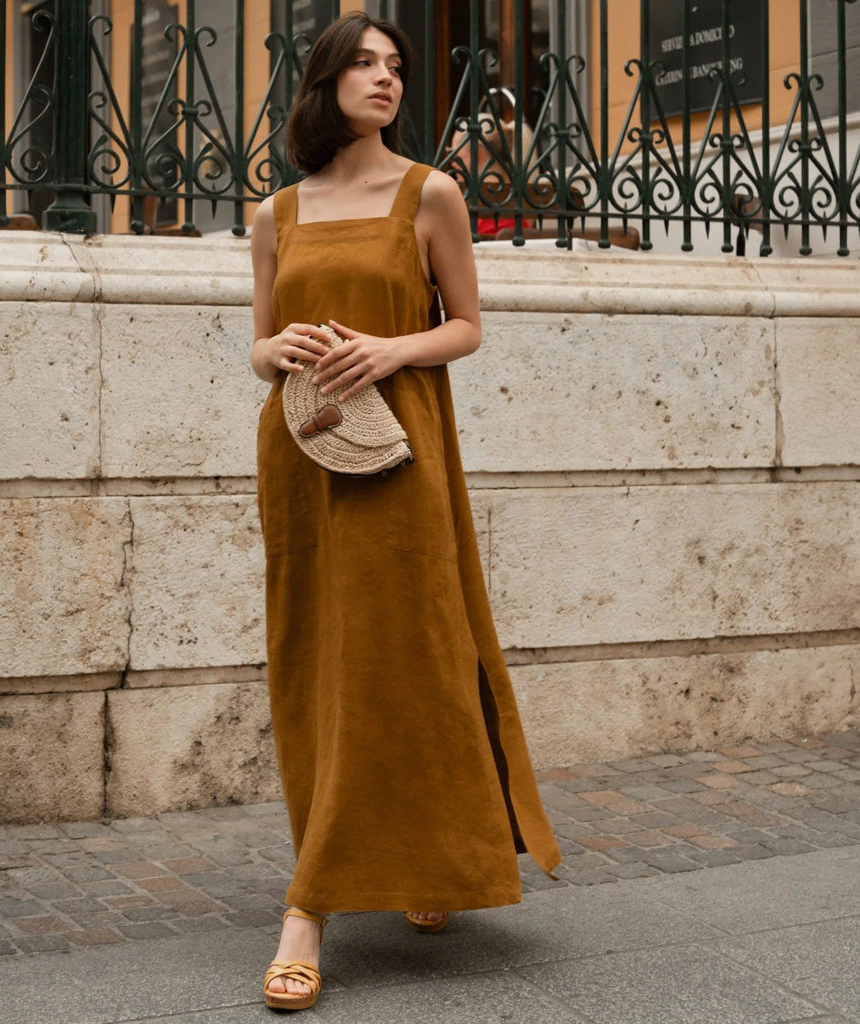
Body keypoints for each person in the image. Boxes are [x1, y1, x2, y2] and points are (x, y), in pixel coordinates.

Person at [250, 11, 561, 1013]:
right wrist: (283, 347)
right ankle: (323, 889)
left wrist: (390, 348)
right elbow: (255, 345)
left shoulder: (430, 193)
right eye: (365, 64)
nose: (385, 79)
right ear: (324, 80)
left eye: (396, 66)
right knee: (319, 664)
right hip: (302, 456)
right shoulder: (276, 213)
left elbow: (466, 326)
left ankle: (333, 898)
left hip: (401, 454)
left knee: (416, 653)